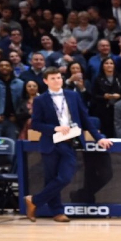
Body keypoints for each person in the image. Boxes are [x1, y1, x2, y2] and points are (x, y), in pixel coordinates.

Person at [24, 67, 113, 222]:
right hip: (51, 143)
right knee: (51, 178)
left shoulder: (73, 95)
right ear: (45, 81)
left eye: (58, 77)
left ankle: (34, 200)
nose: (57, 81)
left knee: (65, 177)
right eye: (52, 78)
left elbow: (85, 119)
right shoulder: (40, 100)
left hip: (70, 142)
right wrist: (55, 128)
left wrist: (99, 138)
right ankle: (57, 212)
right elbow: (36, 124)